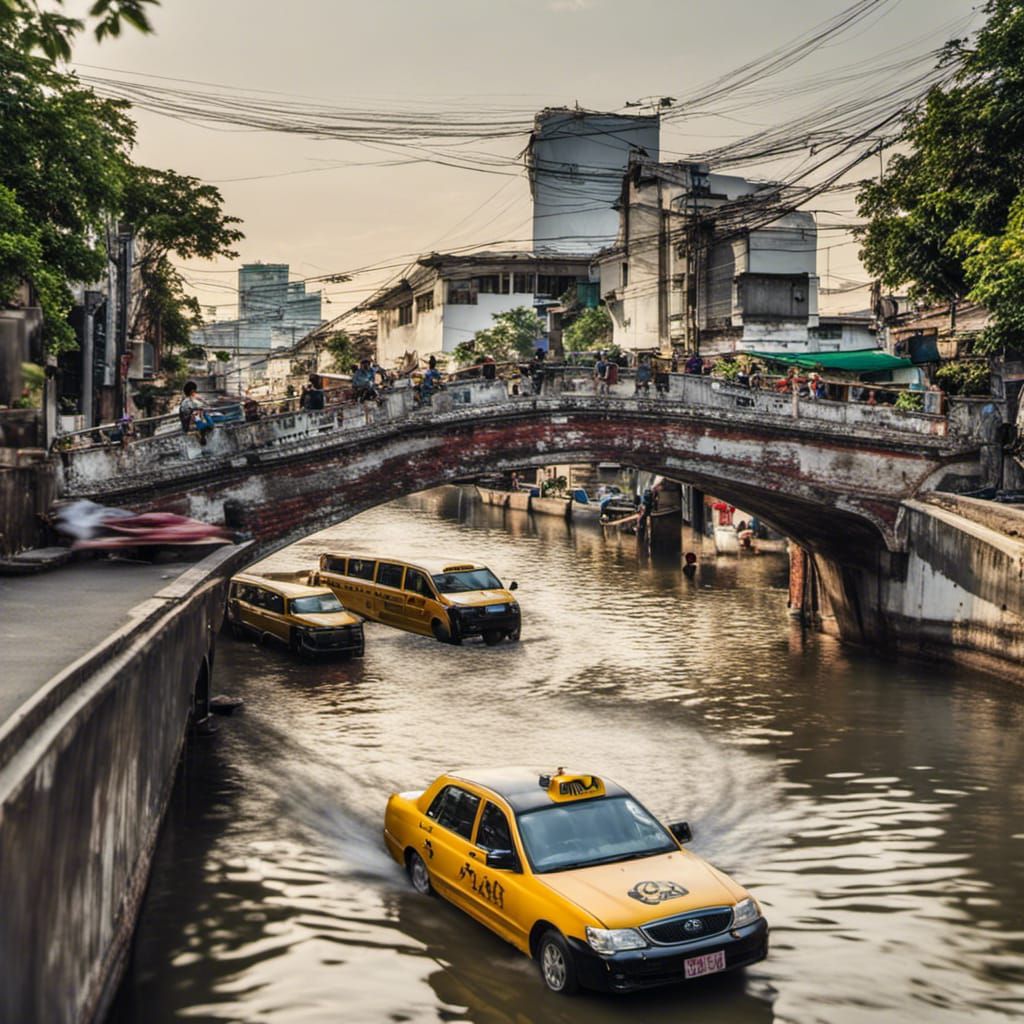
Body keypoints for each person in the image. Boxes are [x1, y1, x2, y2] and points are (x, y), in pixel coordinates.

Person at [178, 381, 212, 446]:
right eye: (195, 391)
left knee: (201, 417)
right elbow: (205, 406)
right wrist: (201, 399)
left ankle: (201, 438)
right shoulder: (188, 401)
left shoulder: (186, 400)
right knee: (209, 425)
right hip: (188, 426)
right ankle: (202, 440)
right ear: (192, 392)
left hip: (185, 423)